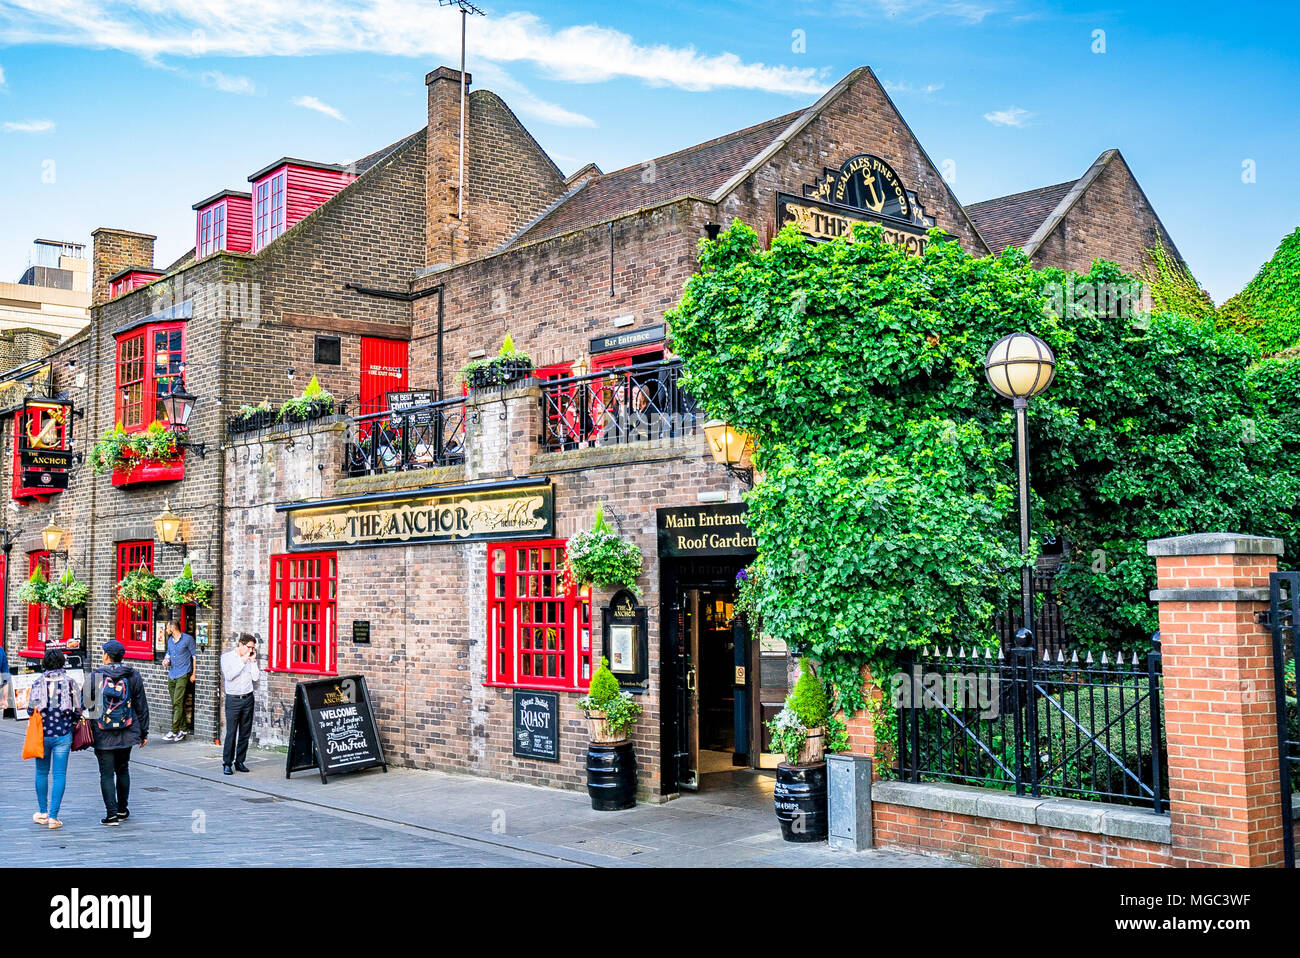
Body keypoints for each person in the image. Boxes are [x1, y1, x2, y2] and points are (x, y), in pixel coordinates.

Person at [85, 639, 149, 826]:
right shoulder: (132, 675)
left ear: (106, 655)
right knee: (123, 769)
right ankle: (122, 809)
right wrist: (143, 732)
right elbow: (141, 705)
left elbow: (87, 705)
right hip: (127, 730)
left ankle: (111, 814)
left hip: (102, 732)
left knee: (106, 773)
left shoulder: (96, 676)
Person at [27, 650, 81, 829]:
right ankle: (53, 817)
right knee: (59, 775)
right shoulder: (70, 683)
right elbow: (77, 711)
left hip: (42, 735)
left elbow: (30, 710)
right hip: (63, 736)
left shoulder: (37, 682)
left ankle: (42, 812)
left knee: (41, 773)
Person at [220, 633, 259, 775]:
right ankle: (227, 763)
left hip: (248, 698)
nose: (251, 650)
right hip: (233, 699)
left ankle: (240, 761)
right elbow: (229, 676)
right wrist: (243, 661)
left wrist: (253, 662)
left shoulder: (250, 658)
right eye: (249, 647)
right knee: (231, 732)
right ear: (241, 645)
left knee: (245, 732)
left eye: (253, 648)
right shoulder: (227, 658)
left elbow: (256, 678)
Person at [161, 620, 197, 741]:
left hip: (183, 673)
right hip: (172, 674)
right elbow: (168, 654)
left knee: (177, 702)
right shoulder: (170, 640)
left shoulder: (188, 639)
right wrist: (166, 661)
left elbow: (194, 657)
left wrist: (194, 673)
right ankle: (184, 728)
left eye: (167, 628)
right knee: (176, 703)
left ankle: (173, 730)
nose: (166, 630)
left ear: (173, 628)